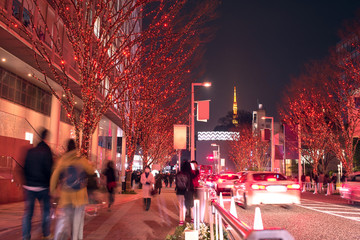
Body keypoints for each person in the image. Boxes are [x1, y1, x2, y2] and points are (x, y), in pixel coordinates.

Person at [50, 139, 94, 240]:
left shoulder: (62, 161)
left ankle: (63, 236)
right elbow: (91, 171)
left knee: (66, 220)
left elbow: (54, 177)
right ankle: (76, 238)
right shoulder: (81, 160)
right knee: (78, 221)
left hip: (66, 196)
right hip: (80, 196)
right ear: (75, 148)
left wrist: (53, 191)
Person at [22, 129, 53, 240]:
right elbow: (49, 170)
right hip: (42, 187)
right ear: (46, 138)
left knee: (28, 213)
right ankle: (46, 234)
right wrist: (49, 185)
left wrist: (26, 182)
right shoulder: (47, 151)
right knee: (45, 212)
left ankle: (26, 236)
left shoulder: (30, 151)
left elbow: (24, 168)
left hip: (29, 186)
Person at [175, 161, 192, 226]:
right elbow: (189, 184)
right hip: (185, 192)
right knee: (184, 206)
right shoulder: (188, 174)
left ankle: (181, 221)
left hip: (179, 192)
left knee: (180, 206)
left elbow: (176, 183)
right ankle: (183, 220)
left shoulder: (178, 174)